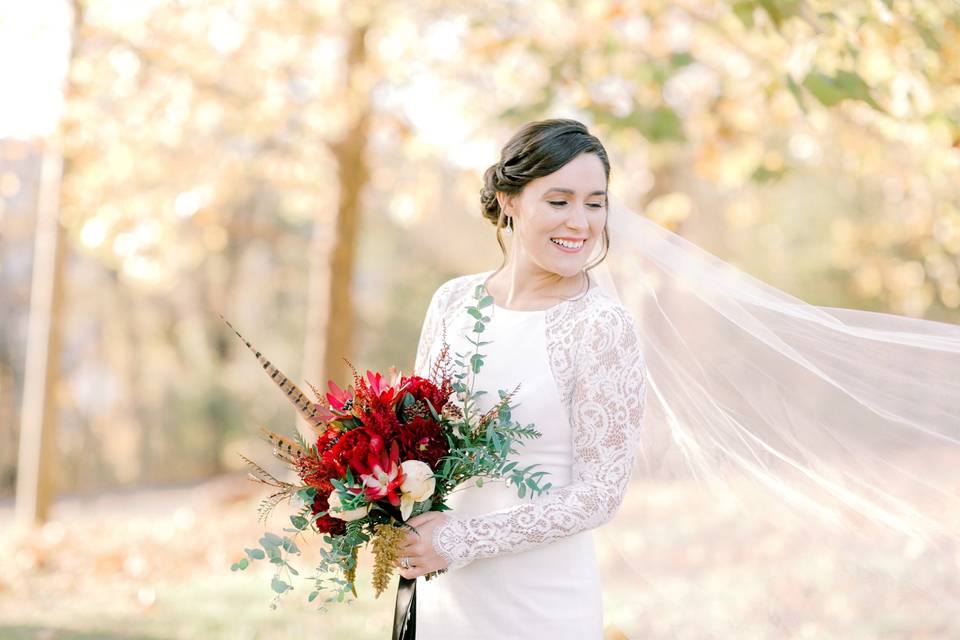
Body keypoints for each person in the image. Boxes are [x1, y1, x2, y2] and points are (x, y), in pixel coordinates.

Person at [395, 119, 643, 639]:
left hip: (543, 601)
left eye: (594, 203)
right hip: (447, 594)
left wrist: (462, 539)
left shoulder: (601, 326)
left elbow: (599, 494)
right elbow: (417, 441)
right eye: (559, 201)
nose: (580, 222)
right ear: (509, 200)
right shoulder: (452, 301)